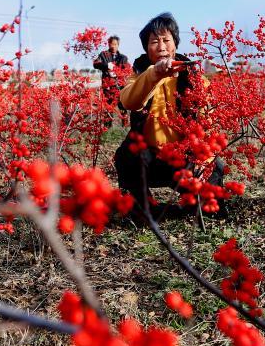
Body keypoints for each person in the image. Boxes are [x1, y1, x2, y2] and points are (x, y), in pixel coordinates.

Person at [113, 13, 226, 221]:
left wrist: (204, 157)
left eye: (166, 40)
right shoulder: (139, 73)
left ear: (175, 44)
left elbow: (208, 122)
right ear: (147, 48)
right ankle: (143, 210)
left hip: (186, 158)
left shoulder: (194, 78)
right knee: (127, 156)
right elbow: (129, 101)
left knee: (215, 167)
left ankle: (201, 209)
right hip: (151, 158)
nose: (161, 46)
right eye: (154, 42)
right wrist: (153, 74)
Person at [92, 36, 129, 117]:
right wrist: (106, 65)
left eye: (115, 44)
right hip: (107, 85)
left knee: (122, 105)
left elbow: (126, 70)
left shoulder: (123, 57)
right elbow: (95, 64)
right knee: (108, 106)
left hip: (119, 86)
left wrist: (118, 73)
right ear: (108, 44)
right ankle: (107, 127)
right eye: (111, 44)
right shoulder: (103, 54)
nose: (113, 46)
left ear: (118, 45)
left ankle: (125, 124)